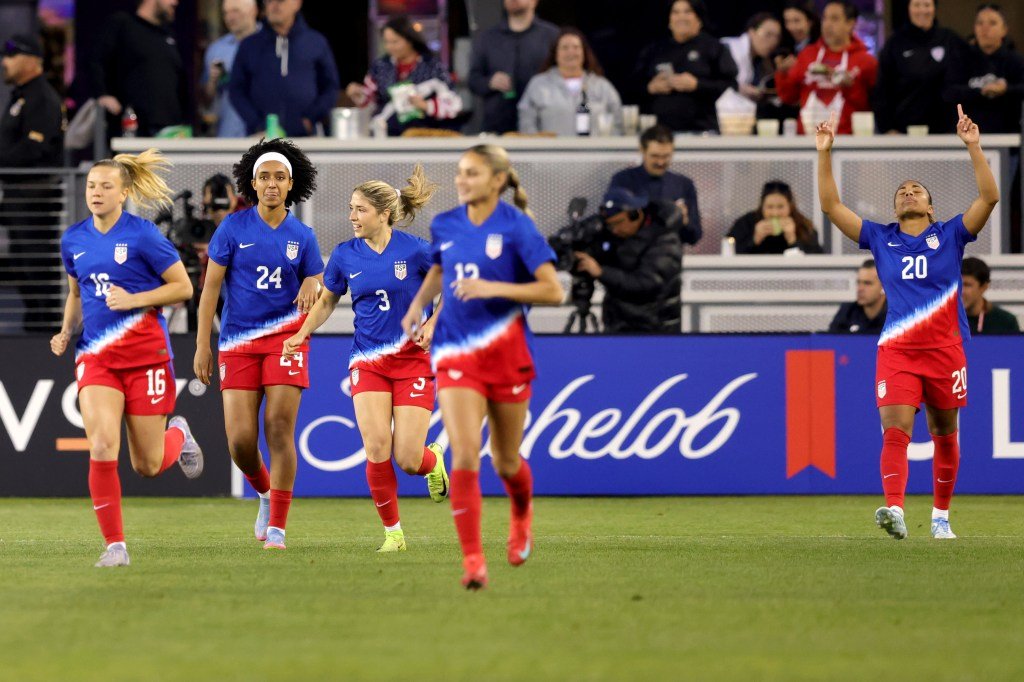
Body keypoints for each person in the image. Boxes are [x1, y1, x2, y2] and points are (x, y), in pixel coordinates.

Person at [816, 104, 999, 540]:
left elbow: (989, 198)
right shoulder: (881, 238)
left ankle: (940, 517)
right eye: (902, 190)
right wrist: (824, 151)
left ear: (932, 208)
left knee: (944, 434)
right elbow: (830, 205)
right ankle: (895, 510)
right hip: (897, 351)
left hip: (945, 349)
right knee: (895, 430)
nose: (908, 192)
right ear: (896, 207)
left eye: (917, 189)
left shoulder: (951, 234)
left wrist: (973, 146)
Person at [400, 144, 563, 589]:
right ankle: (473, 561)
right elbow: (439, 270)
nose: (461, 180)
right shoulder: (446, 224)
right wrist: (417, 305)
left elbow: (553, 292)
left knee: (506, 463)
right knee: (465, 454)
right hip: (455, 353)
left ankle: (521, 513)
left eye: (472, 173)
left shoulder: (517, 228)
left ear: (496, 180)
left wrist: (494, 287)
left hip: (506, 355)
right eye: (459, 172)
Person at [282, 166, 450, 552]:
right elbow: (327, 300)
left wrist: (435, 324)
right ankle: (394, 534)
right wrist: (303, 331)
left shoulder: (416, 250)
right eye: (351, 208)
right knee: (377, 448)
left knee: (408, 459)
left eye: (360, 210)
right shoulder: (343, 255)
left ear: (383, 214)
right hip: (368, 362)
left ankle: (432, 461)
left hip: (411, 362)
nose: (352, 216)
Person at [50, 149, 204, 568]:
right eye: (91, 186)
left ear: (124, 193)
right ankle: (115, 546)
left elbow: (183, 289)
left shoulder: (144, 236)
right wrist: (66, 331)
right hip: (97, 357)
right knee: (101, 444)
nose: (96, 193)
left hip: (146, 357)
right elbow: (77, 293)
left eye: (106, 186)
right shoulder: (74, 239)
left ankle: (179, 435)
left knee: (148, 465)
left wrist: (135, 299)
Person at [193, 138, 324, 550]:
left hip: (286, 342)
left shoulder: (303, 235)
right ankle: (264, 492)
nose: (271, 184)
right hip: (237, 342)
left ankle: (279, 528)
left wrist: (311, 280)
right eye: (264, 177)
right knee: (240, 441)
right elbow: (210, 290)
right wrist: (202, 345)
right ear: (252, 183)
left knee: (279, 429)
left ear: (290, 185)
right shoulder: (232, 228)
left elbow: (320, 286)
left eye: (279, 178)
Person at [0, 33, 65, 332]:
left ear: (31, 60)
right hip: (18, 197)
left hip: (36, 197)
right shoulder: (21, 95)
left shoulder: (42, 97)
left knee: (36, 265)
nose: (5, 63)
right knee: (22, 264)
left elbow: (34, 147)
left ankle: (46, 329)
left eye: (11, 57)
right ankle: (34, 326)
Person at [574, 187, 684, 334]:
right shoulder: (617, 237)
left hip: (655, 329)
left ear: (635, 214)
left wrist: (601, 272)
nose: (614, 230)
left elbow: (647, 285)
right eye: (610, 225)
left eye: (618, 222)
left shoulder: (665, 241)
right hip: (618, 324)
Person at [229, 0, 340, 137]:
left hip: (307, 140)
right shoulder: (249, 45)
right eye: (269, 1)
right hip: (261, 140)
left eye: (280, 1)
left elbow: (330, 88)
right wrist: (257, 124)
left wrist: (309, 119)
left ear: (297, 4)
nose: (274, 5)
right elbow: (236, 90)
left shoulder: (315, 43)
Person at [345, 16, 462, 137]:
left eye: (395, 42)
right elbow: (371, 100)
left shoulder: (433, 67)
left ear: (409, 40)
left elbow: (454, 105)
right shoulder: (380, 67)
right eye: (386, 42)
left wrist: (426, 105)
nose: (390, 47)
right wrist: (358, 94)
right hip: (387, 135)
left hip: (424, 135)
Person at [633, 0, 738, 133]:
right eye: (675, 12)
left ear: (699, 19)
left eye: (687, 12)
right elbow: (632, 88)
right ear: (669, 20)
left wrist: (697, 85)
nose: (681, 17)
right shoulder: (654, 50)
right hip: (659, 133)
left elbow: (731, 87)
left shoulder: (714, 48)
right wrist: (650, 88)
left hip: (703, 131)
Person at [775, 1, 878, 134]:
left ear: (850, 24)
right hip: (807, 140)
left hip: (848, 143)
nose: (827, 24)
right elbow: (789, 97)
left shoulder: (866, 61)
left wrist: (851, 87)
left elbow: (876, 106)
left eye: (834, 19)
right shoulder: (807, 55)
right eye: (825, 18)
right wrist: (782, 74)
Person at [91, 0, 188, 137]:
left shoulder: (168, 36)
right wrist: (102, 94)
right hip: (134, 129)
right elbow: (96, 60)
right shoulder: (123, 24)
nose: (175, 2)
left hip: (171, 132)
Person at [873, 0, 965, 135]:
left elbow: (963, 82)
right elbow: (882, 89)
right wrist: (887, 128)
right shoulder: (895, 42)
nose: (922, 10)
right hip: (903, 131)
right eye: (916, 5)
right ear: (908, 8)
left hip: (946, 132)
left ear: (934, 8)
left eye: (927, 5)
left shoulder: (950, 40)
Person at [468, 0, 559, 134]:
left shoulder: (552, 36)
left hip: (541, 127)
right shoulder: (488, 38)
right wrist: (490, 82)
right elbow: (473, 80)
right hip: (497, 128)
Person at [606, 124, 702, 246]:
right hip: (630, 258)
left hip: (668, 259)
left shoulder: (683, 184)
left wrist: (684, 221)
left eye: (666, 156)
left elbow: (695, 236)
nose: (660, 162)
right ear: (642, 150)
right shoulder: (622, 180)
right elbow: (611, 226)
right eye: (655, 156)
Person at [517, 27, 622, 136]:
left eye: (576, 47)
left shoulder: (602, 86)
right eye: (565, 48)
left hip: (596, 152)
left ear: (584, 53)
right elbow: (526, 122)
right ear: (555, 54)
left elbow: (618, 122)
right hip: (550, 152)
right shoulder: (539, 85)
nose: (571, 52)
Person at [943, 4, 1024, 135]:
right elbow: (948, 92)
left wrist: (1006, 89)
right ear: (974, 28)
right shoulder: (961, 59)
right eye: (980, 23)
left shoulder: (1015, 61)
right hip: (967, 138)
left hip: (1007, 139)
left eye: (992, 23)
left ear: (1004, 30)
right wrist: (980, 91)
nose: (985, 28)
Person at [201, 0, 261, 138]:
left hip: (263, 131)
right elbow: (205, 101)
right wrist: (212, 81)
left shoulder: (271, 43)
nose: (230, 17)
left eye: (235, 11)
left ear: (253, 11)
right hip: (228, 132)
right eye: (225, 13)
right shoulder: (216, 49)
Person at [727, 180, 823, 254]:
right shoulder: (746, 223)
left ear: (790, 206)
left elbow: (816, 260)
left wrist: (793, 240)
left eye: (780, 207)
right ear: (762, 206)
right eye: (770, 207)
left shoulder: (804, 226)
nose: (775, 213)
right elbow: (729, 252)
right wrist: (754, 239)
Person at [721, 13, 783, 107]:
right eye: (768, 34)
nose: (773, 42)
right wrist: (740, 88)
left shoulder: (760, 61)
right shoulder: (729, 47)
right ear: (752, 32)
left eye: (777, 37)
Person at [961, 256, 1020, 334]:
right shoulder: (944, 320)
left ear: (983, 287)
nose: (960, 291)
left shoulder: (1006, 322)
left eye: (967, 285)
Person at [828, 259, 887, 333]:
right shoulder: (847, 311)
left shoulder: (897, 317)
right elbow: (831, 341)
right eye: (858, 282)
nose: (860, 289)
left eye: (867, 283)